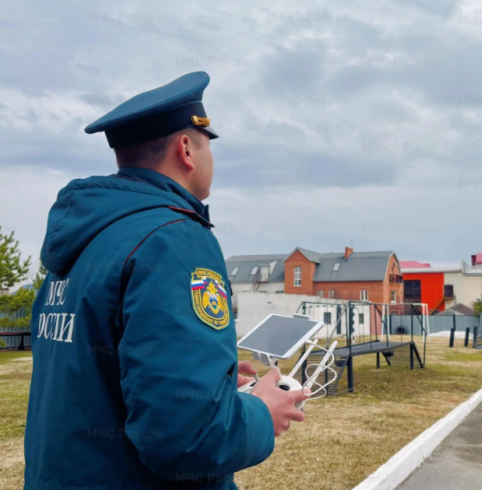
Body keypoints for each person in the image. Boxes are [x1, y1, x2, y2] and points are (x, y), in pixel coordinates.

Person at [24, 72, 307, 490]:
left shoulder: (84, 241)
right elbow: (190, 437)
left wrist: (213, 381)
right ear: (186, 149)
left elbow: (98, 377)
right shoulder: (173, 239)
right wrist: (262, 412)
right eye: (208, 142)